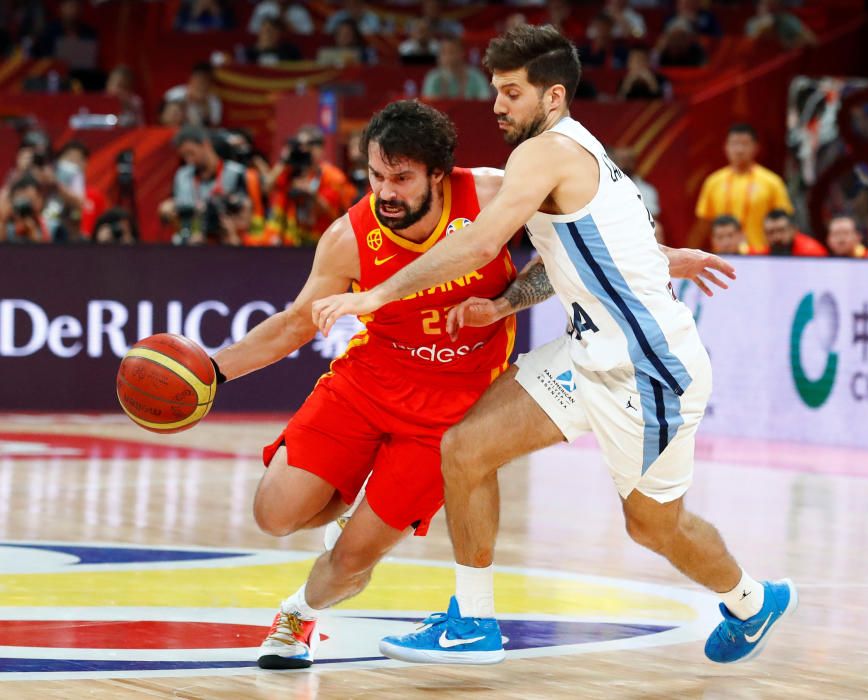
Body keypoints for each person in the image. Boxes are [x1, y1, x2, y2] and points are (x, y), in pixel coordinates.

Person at [311, 25, 795, 667]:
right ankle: (473, 622)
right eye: (496, 90)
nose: (498, 105)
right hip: (589, 352)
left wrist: (374, 297)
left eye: (511, 92)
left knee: (652, 526)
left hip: (646, 369)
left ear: (554, 96)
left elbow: (481, 244)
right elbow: (565, 253)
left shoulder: (546, 153)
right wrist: (505, 303)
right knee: (464, 449)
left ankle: (751, 599)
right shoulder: (565, 154)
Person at [213, 100, 521, 669]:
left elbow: (577, 251)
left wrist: (503, 303)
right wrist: (211, 372)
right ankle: (352, 507)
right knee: (274, 514)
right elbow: (295, 324)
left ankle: (298, 614)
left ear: (438, 173)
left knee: (353, 562)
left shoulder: (497, 194)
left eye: (401, 178)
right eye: (376, 176)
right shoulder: (349, 236)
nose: (386, 192)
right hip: (366, 386)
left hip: (450, 415)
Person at [695, 123, 793, 252]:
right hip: (722, 255)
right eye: (734, 144)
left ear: (756, 147)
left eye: (745, 144)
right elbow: (703, 227)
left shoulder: (772, 182)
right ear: (726, 147)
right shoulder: (713, 182)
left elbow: (783, 223)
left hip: (760, 256)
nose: (739, 150)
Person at [421, 37, 492, 100]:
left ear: (462, 53)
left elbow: (485, 102)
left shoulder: (476, 76)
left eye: (452, 52)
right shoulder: (433, 77)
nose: (448, 56)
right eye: (444, 52)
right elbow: (429, 105)